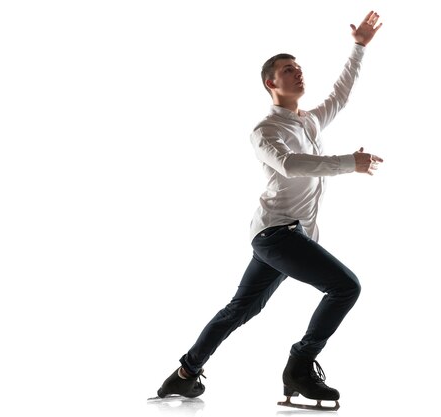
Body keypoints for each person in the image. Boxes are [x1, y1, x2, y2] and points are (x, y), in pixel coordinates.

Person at [154, 10, 383, 410]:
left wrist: (359, 47)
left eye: (299, 68)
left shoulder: (308, 123)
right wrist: (349, 162)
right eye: (288, 69)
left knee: (241, 309)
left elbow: (341, 95)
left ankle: (186, 373)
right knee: (346, 287)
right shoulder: (266, 131)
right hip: (276, 235)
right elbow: (291, 164)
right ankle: (300, 365)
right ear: (270, 82)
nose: (298, 73)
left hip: (292, 238)